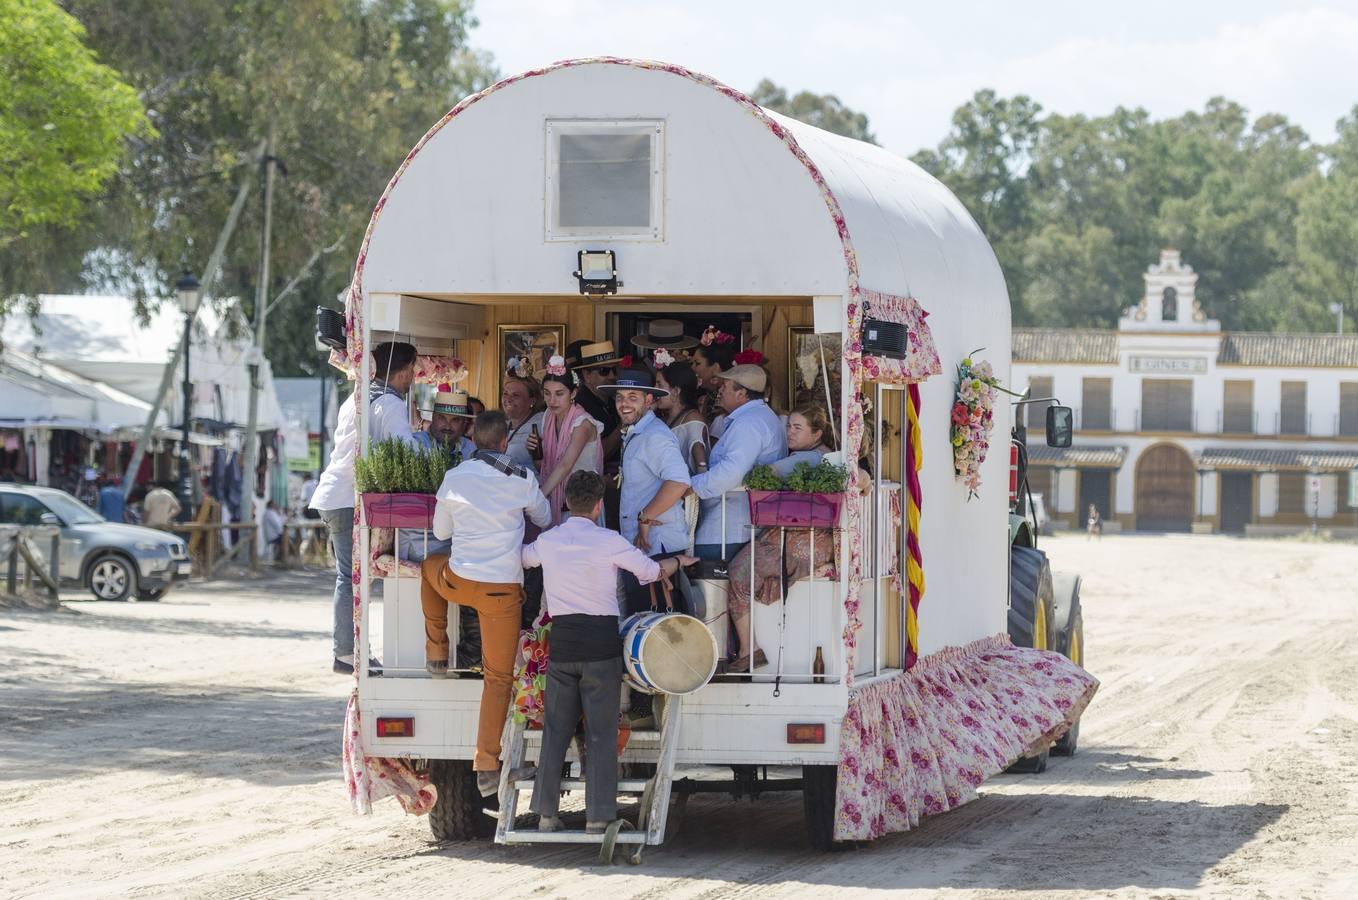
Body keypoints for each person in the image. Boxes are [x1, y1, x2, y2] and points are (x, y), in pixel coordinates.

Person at [521, 471, 696, 833]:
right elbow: (648, 572)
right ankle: (598, 818)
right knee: (600, 732)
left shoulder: (549, 540)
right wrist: (678, 563)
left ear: (567, 503)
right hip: (601, 645)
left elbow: (523, 559)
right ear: (599, 505)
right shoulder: (610, 540)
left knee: (556, 728)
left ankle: (546, 814)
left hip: (564, 643)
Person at [420, 410, 552, 796]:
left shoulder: (455, 476)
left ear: (473, 438)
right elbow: (543, 517)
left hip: (459, 581)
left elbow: (440, 531)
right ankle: (486, 765)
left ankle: (437, 650)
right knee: (497, 679)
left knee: (427, 568)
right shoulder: (521, 478)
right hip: (501, 592)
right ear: (503, 441)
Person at [310, 341, 420, 675]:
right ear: (402, 371)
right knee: (352, 578)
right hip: (348, 498)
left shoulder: (356, 397)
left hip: (334, 494)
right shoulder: (389, 403)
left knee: (351, 577)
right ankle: (347, 652)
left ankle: (350, 650)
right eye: (412, 370)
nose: (413, 378)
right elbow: (407, 451)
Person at [726, 406, 837, 671]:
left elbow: (767, 473)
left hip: (797, 540)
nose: (790, 432)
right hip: (814, 541)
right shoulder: (825, 456)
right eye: (789, 426)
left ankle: (748, 648)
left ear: (817, 433)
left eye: (798, 428)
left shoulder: (808, 459)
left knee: (738, 569)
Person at [688, 364, 786, 560]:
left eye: (725, 385)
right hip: (737, 523)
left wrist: (689, 487)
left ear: (742, 393)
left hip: (729, 527)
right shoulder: (758, 417)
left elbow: (731, 472)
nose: (720, 390)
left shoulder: (749, 423)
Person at [525, 356, 603, 526]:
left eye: (559, 393)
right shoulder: (548, 416)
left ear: (573, 393)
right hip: (555, 502)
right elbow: (545, 467)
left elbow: (565, 465)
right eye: (547, 393)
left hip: (582, 508)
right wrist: (536, 453)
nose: (552, 400)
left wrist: (538, 497)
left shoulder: (583, 423)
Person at [655, 361, 709, 476]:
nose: (655, 389)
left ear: (675, 392)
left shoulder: (693, 420)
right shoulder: (665, 419)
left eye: (659, 385)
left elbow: (702, 466)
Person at [500, 374, 545, 470]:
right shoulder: (501, 426)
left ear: (532, 400)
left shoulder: (542, 424)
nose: (508, 399)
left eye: (515, 395)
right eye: (505, 393)